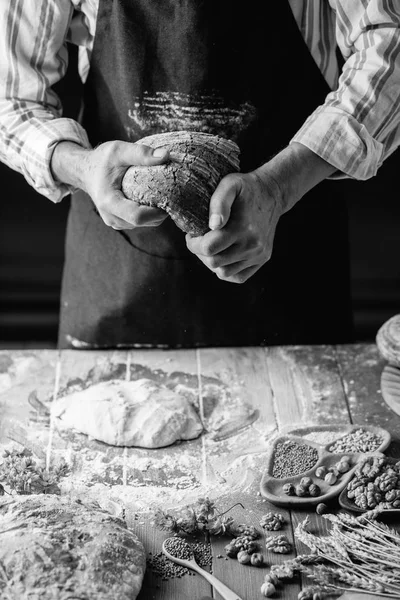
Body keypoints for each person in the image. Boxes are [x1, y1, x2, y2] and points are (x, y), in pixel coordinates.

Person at [0, 1, 399, 350]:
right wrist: (84, 167)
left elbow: (389, 44)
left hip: (291, 252)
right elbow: (12, 98)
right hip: (118, 264)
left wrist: (277, 188)